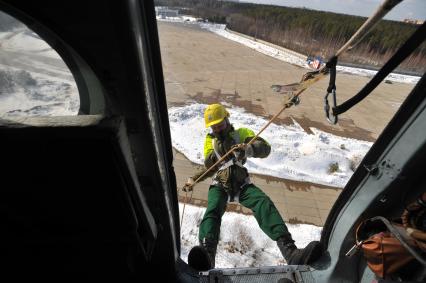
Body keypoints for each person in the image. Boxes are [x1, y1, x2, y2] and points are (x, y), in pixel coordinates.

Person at [184, 103, 322, 269]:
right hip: (220, 184)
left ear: (227, 120)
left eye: (220, 125)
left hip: (242, 185)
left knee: (263, 203)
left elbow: (265, 148)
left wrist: (248, 149)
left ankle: (290, 251)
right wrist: (195, 178)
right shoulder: (210, 140)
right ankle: (207, 254)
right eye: (214, 127)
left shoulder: (241, 134)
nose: (217, 129)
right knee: (213, 209)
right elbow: (209, 164)